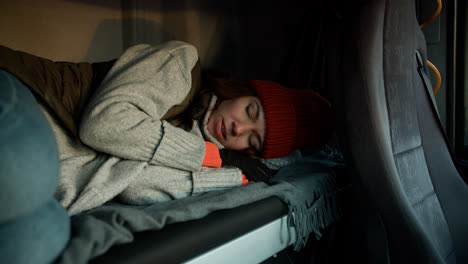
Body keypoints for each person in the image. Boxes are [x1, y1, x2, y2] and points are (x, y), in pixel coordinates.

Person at [0, 40, 334, 263]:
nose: (238, 130)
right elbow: (104, 124)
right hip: (29, 100)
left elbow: (134, 187)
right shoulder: (181, 65)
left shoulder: (211, 158)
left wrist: (229, 171)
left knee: (39, 240)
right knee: (29, 173)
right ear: (244, 90)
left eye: (252, 143)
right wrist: (206, 156)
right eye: (251, 112)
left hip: (56, 180)